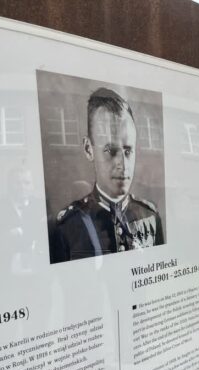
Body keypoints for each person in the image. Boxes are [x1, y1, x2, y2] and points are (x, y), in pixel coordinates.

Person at [51, 87, 164, 263]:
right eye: (111, 151)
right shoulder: (68, 227)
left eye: (128, 151)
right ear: (89, 149)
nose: (123, 164)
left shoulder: (149, 216)